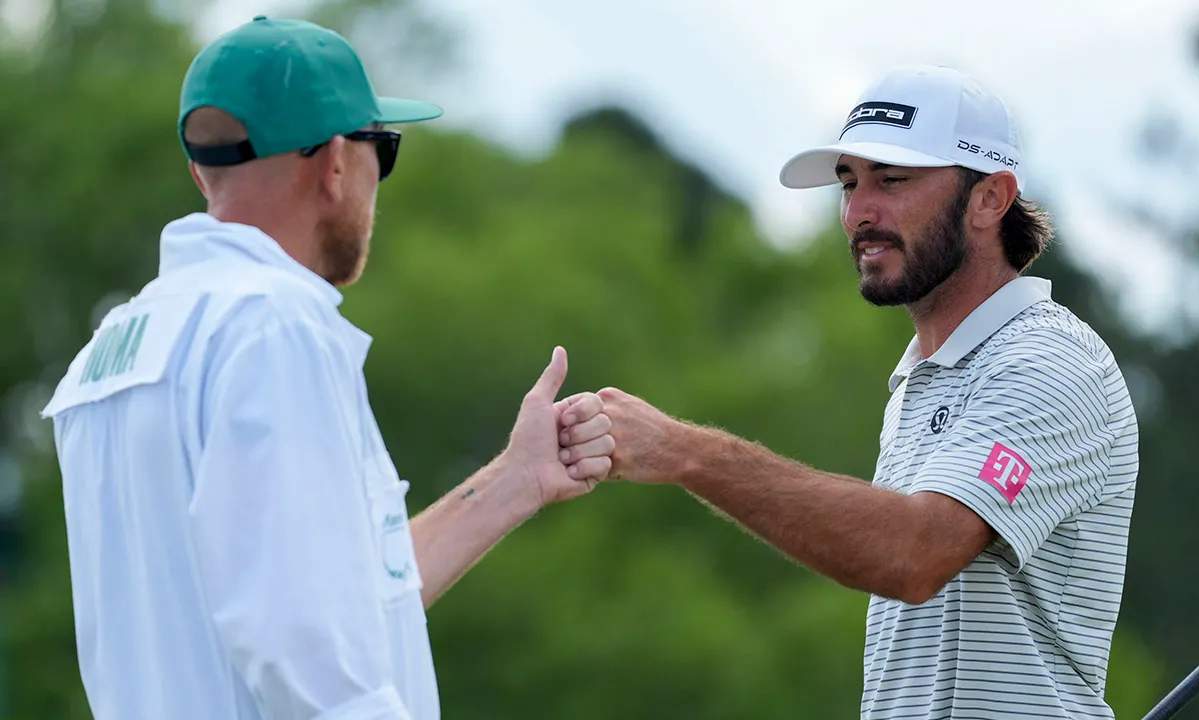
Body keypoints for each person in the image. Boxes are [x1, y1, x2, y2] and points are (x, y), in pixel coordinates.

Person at [39, 16, 612, 720]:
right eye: (383, 148)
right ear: (336, 162)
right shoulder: (273, 325)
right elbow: (312, 658)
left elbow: (338, 605)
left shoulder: (109, 352)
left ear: (200, 171)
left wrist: (516, 480)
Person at [587, 65, 1139, 719]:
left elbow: (913, 554)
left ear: (990, 198)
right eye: (850, 183)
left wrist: (687, 452)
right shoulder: (917, 381)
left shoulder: (1050, 362)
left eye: (892, 180)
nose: (858, 213)